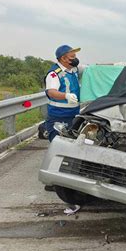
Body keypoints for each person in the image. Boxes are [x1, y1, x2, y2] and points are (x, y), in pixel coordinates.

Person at [43, 45, 83, 190]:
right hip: (58, 116)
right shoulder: (54, 74)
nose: (74, 58)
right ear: (63, 58)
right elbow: (52, 92)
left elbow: (93, 70)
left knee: (69, 149)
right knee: (57, 148)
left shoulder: (73, 70)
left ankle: (63, 180)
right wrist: (65, 96)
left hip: (72, 115)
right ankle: (50, 183)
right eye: (71, 56)